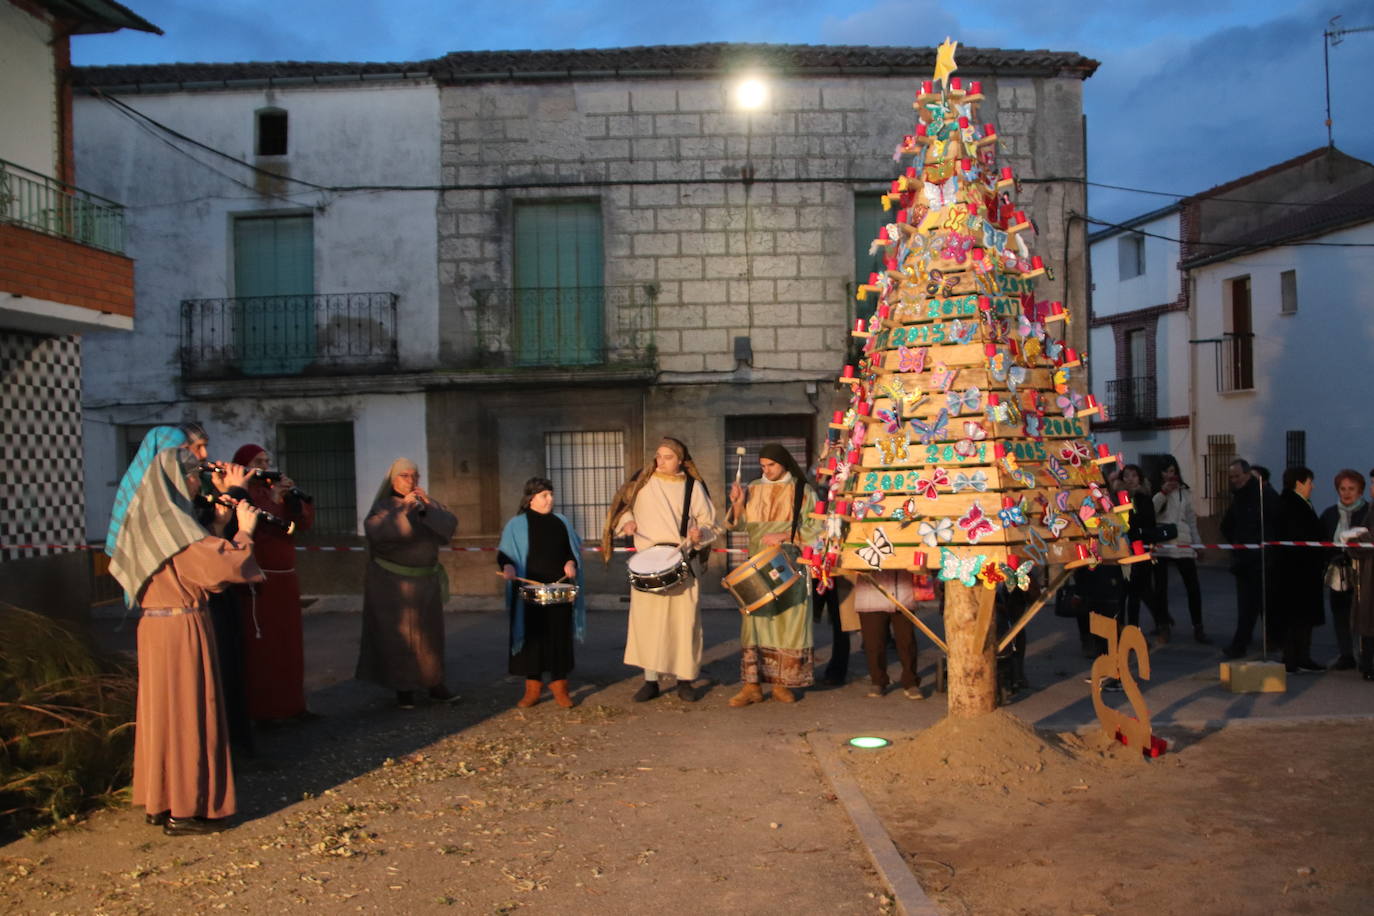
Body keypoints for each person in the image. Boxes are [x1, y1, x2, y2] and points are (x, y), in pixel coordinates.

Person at [106, 430, 264, 836]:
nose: (197, 480)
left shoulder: (148, 518)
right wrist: (244, 531)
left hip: (155, 626)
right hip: (181, 627)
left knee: (161, 714)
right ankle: (186, 810)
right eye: (192, 474)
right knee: (189, 714)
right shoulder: (173, 523)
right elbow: (215, 569)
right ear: (177, 477)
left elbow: (189, 553)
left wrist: (220, 519)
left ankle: (160, 801)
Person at [601, 437, 718, 702]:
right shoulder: (641, 482)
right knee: (649, 625)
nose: (660, 461)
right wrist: (628, 523)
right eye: (658, 456)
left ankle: (685, 680)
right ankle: (650, 681)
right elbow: (621, 510)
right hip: (648, 562)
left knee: (684, 625)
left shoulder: (693, 487)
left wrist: (700, 533)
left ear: (680, 460)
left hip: (683, 561)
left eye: (667, 457)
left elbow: (711, 523)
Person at [723, 443, 822, 705]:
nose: (766, 470)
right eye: (763, 465)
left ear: (784, 464)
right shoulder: (754, 487)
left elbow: (818, 528)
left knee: (788, 623)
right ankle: (751, 686)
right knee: (754, 623)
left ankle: (782, 684)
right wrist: (738, 504)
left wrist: (786, 536)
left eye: (772, 465)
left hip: (791, 564)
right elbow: (740, 524)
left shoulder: (804, 490)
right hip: (758, 564)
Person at [356, 458, 459, 708]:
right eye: (404, 476)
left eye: (415, 476)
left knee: (429, 637)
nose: (411, 481)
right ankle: (403, 688)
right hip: (393, 586)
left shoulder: (424, 503)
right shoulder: (383, 507)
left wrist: (429, 507)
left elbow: (448, 528)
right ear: (393, 480)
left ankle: (434, 683)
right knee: (397, 636)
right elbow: (379, 533)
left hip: (425, 583)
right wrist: (404, 510)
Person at [231, 443, 315, 723]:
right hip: (261, 581)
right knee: (265, 649)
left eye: (267, 460)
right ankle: (266, 710)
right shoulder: (244, 495)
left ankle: (293, 704)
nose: (265, 466)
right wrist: (275, 501)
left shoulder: (273, 489)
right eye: (258, 460)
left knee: (289, 644)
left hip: (286, 579)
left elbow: (302, 524)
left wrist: (292, 499)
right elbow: (258, 529)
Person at [498, 477, 586, 709]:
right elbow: (505, 554)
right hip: (530, 590)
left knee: (559, 636)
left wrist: (570, 563)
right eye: (545, 495)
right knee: (532, 639)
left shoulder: (561, 522)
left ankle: (560, 686)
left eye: (551, 494)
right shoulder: (515, 525)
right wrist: (507, 566)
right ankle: (533, 688)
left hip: (558, 589)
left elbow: (571, 551)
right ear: (531, 498)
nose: (550, 499)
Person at [1220, 458, 1280, 659]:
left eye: (1237, 476)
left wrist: (1265, 545)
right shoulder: (1239, 498)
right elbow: (1227, 525)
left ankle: (1265, 640)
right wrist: (1238, 544)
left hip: (1262, 558)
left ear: (1248, 475)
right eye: (1231, 477)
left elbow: (1276, 522)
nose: (1234, 480)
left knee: (1263, 604)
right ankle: (1243, 643)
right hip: (1244, 560)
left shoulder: (1265, 496)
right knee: (1247, 606)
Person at [1150, 455, 1211, 644]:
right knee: (1160, 588)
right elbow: (1150, 512)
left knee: (1193, 587)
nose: (1170, 475)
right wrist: (1162, 493)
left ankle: (1198, 627)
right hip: (1162, 543)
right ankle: (1163, 625)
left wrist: (1198, 545)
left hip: (1183, 542)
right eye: (1166, 471)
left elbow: (1191, 520)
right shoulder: (1154, 491)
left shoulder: (1185, 492)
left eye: (1173, 471)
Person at [1112, 464, 1171, 641]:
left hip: (1140, 549)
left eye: (1134, 476)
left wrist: (1142, 535)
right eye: (1126, 476)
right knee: (1121, 594)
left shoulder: (1144, 498)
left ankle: (1136, 628)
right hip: (1121, 550)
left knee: (1138, 592)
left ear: (1140, 478)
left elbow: (1148, 522)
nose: (1130, 479)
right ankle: (1120, 630)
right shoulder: (1116, 499)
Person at [1277, 466, 1326, 674]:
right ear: (1299, 483)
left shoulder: (1301, 503)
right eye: (1309, 482)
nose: (1312, 487)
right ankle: (1292, 657)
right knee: (1294, 616)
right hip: (1295, 570)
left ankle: (1302, 656)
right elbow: (1299, 535)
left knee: (1304, 617)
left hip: (1305, 569)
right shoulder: (1290, 504)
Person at [1318, 469, 1365, 671]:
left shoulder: (1368, 512)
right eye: (1342, 489)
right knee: (1339, 613)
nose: (1346, 493)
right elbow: (1320, 542)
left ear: (1360, 491)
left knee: (1364, 615)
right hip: (1337, 571)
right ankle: (1346, 654)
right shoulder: (1329, 514)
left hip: (1362, 572)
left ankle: (1365, 654)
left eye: (1351, 489)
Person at [1342, 470, 1374, 681]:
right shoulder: (1371, 508)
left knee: (1369, 618)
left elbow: (1369, 540)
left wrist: (1356, 537)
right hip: (1367, 570)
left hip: (1371, 571)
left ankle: (1369, 663)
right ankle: (1368, 663)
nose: (1372, 488)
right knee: (1367, 619)